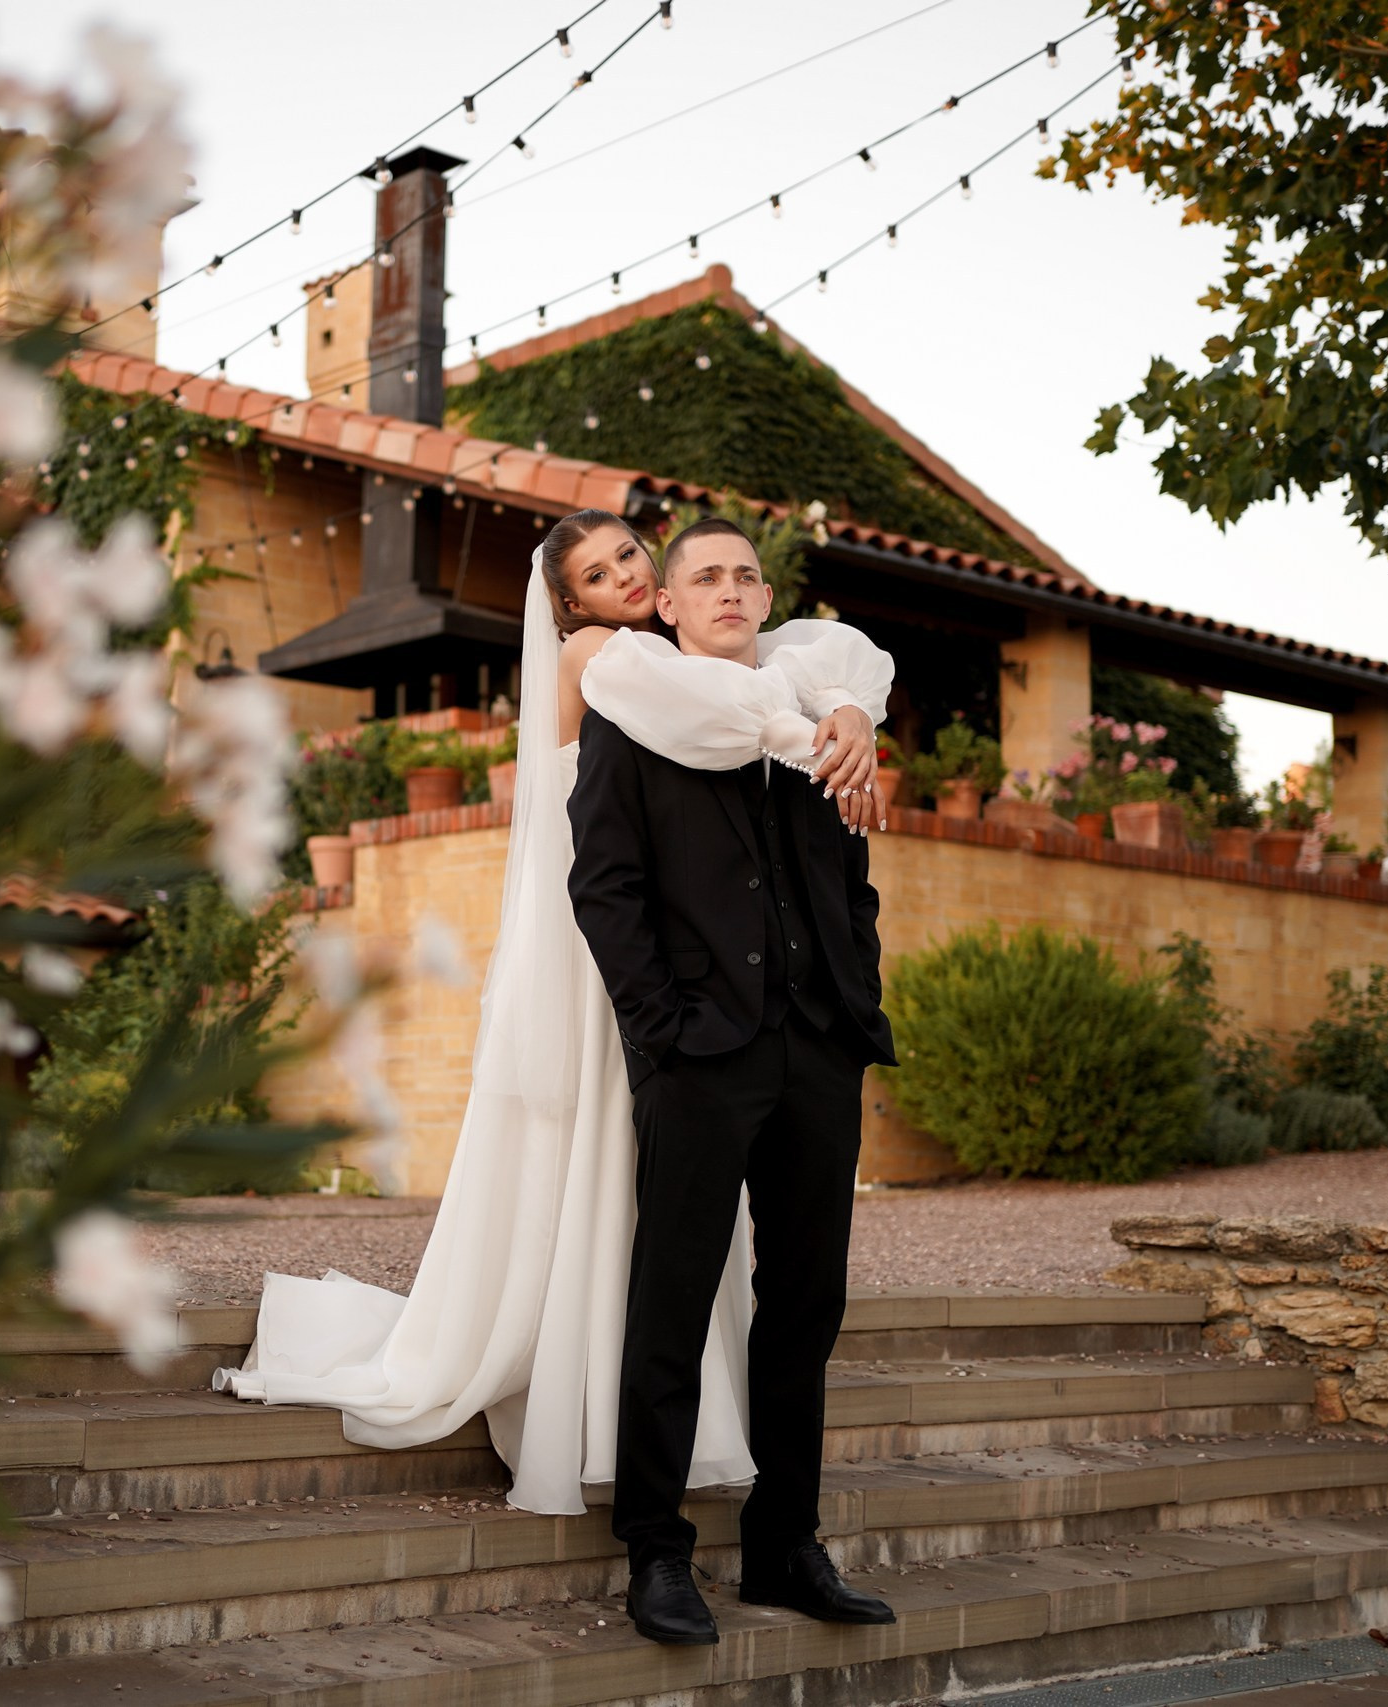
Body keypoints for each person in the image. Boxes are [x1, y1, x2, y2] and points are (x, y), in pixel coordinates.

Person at [215, 509, 893, 1522]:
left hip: (789, 1031)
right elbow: (622, 866)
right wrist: (659, 1031)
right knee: (641, 1248)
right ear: (585, 603)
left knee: (760, 1275)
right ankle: (635, 1500)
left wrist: (850, 716)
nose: (626, 572)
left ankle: (780, 1532)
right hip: (658, 1005)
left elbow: (838, 835)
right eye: (611, 569)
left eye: (631, 551)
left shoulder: (744, 671)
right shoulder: (611, 668)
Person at [568, 517, 898, 1645]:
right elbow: (604, 887)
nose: (727, 590)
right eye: (702, 576)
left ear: (764, 600)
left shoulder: (810, 712)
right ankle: (657, 1554)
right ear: (666, 603)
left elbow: (847, 877)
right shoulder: (634, 710)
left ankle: (783, 1546)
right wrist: (657, 1034)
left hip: (818, 1048)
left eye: (744, 576)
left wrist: (858, 1000)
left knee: (805, 1305)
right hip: (699, 1055)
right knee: (672, 1298)